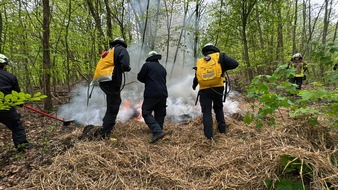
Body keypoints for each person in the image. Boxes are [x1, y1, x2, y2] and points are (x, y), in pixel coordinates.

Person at [192, 43, 239, 140]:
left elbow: (197, 76)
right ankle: (222, 130)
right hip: (218, 87)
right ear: (214, 49)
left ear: (205, 52)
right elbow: (235, 64)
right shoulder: (220, 57)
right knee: (218, 108)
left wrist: (194, 85)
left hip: (204, 89)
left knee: (206, 112)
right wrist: (223, 67)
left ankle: (208, 137)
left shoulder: (200, 61)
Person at [98, 38, 131, 139]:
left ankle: (105, 127)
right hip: (112, 81)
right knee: (113, 107)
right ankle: (105, 134)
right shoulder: (121, 50)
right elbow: (125, 65)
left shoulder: (110, 52)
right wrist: (126, 68)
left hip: (104, 82)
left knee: (111, 104)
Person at [0, 53, 32, 152]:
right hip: (6, 108)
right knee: (16, 126)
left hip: (5, 107)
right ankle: (22, 146)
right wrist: (20, 102)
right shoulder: (10, 77)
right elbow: (17, 94)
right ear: (3, 64)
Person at [137, 51, 168, 143]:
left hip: (151, 93)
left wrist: (147, 79)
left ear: (149, 58)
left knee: (146, 112)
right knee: (160, 113)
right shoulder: (162, 68)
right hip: (163, 93)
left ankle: (157, 131)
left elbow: (140, 77)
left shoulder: (147, 65)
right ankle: (159, 130)